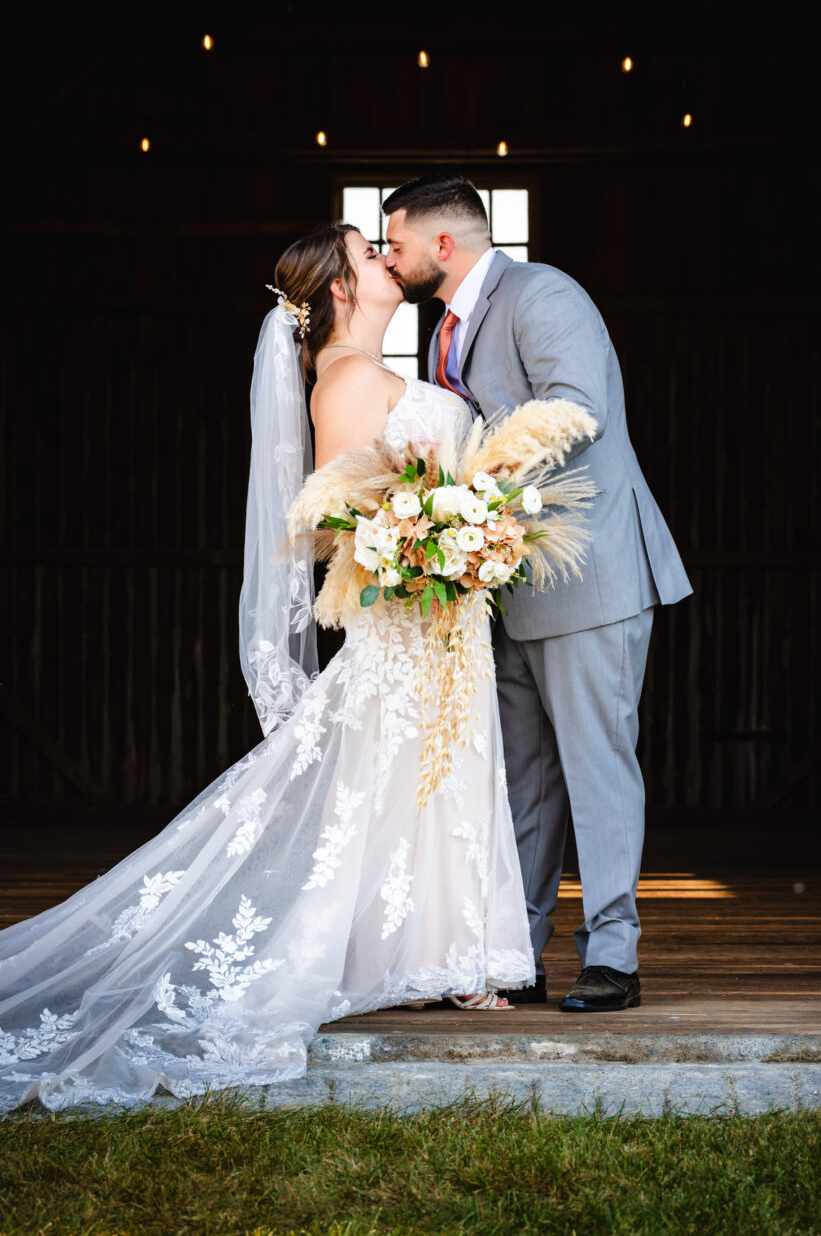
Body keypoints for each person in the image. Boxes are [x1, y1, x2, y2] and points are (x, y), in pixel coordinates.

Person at [0, 223, 535, 1111]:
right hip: (413, 618)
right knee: (398, 775)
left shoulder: (357, 374)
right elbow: (334, 523)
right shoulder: (353, 380)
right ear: (338, 291)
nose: (386, 263)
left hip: (444, 618)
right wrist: (429, 536)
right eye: (370, 255)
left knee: (421, 776)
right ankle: (436, 957)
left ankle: (444, 953)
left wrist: (453, 526)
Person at [383, 176, 693, 1012]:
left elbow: (577, 411)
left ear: (442, 244)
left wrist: (471, 489)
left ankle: (613, 959)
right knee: (523, 780)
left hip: (586, 578)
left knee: (597, 768)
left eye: (396, 241)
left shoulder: (542, 294)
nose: (390, 256)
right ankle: (517, 953)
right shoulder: (446, 328)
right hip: (506, 586)